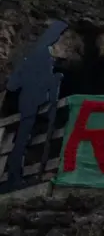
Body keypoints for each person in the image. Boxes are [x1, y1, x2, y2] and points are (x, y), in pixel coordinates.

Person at [1, 21, 67, 191]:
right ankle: (14, 177)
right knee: (22, 140)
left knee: (24, 139)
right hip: (32, 101)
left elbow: (13, 85)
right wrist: (52, 80)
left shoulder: (32, 55)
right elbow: (21, 83)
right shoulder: (42, 56)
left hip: (29, 101)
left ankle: (15, 176)